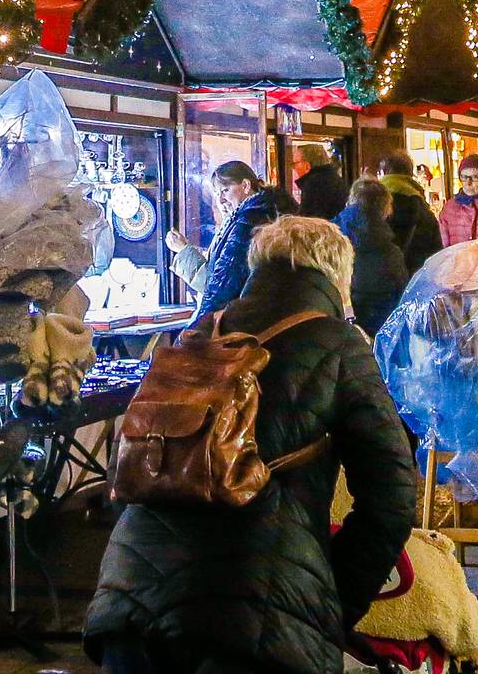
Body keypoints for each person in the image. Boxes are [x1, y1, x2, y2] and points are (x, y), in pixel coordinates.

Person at [86, 217, 418, 674]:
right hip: (255, 615)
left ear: (257, 266)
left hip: (130, 595)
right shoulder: (340, 344)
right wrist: (329, 600)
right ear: (339, 278)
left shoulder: (198, 334)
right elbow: (393, 496)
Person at [196, 161, 287, 319]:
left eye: (225, 190)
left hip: (243, 318)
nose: (221, 200)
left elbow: (224, 281)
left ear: (245, 185)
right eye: (217, 194)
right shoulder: (268, 211)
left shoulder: (250, 220)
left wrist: (201, 323)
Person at [335, 178, 408, 336]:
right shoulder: (391, 252)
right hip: (380, 332)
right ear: (385, 210)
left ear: (350, 201)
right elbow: (400, 298)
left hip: (338, 330)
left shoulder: (329, 239)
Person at [377, 154, 449, 276]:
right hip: (414, 279)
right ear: (410, 174)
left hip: (378, 279)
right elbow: (435, 252)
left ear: (383, 172)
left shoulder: (372, 202)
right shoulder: (421, 206)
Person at [294, 143, 347, 220]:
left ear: (307, 166)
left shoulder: (313, 184)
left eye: (295, 163)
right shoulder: (335, 178)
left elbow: (307, 221)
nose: (294, 168)